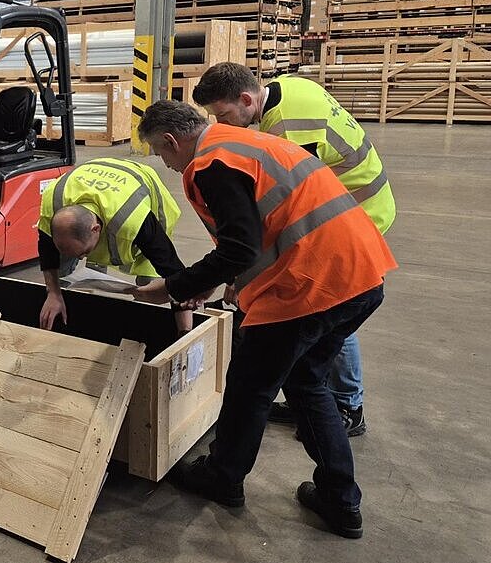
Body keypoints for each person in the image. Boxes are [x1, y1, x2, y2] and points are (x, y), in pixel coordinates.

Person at [132, 100, 395, 539]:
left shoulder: (212, 163)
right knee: (307, 381)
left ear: (172, 141)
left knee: (249, 386)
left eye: (161, 153)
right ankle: (341, 500)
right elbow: (261, 228)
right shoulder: (244, 142)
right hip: (359, 278)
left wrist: (174, 286)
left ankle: (223, 476)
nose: (167, 164)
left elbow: (239, 248)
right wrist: (217, 281)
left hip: (308, 287)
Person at [192, 62, 396, 436]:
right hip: (355, 198)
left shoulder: (284, 129)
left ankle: (347, 404)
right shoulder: (286, 88)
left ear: (246, 99)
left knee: (330, 300)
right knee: (327, 309)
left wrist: (238, 275)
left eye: (224, 115)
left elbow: (286, 207)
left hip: (352, 210)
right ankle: (313, 392)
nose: (221, 125)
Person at [37, 157, 190, 332]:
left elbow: (175, 274)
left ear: (96, 229)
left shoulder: (134, 220)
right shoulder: (53, 203)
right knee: (61, 273)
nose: (80, 258)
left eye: (84, 253)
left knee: (148, 286)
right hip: (96, 177)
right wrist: (53, 292)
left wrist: (185, 333)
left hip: (140, 187)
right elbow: (47, 251)